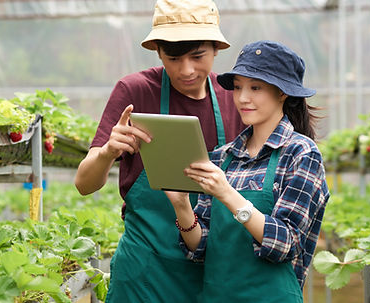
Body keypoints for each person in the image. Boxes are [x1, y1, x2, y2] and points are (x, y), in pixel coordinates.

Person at [74, 0, 246, 301]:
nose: (186, 70)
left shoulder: (234, 96)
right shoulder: (135, 91)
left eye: (197, 56)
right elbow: (84, 184)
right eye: (173, 58)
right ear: (157, 51)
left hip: (213, 266)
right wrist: (108, 152)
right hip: (145, 271)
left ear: (217, 48)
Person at [164, 40, 330, 302]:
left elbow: (285, 243)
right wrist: (182, 206)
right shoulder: (222, 157)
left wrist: (227, 193)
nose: (242, 98)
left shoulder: (300, 154)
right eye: (238, 87)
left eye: (255, 88)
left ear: (283, 93)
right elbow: (200, 247)